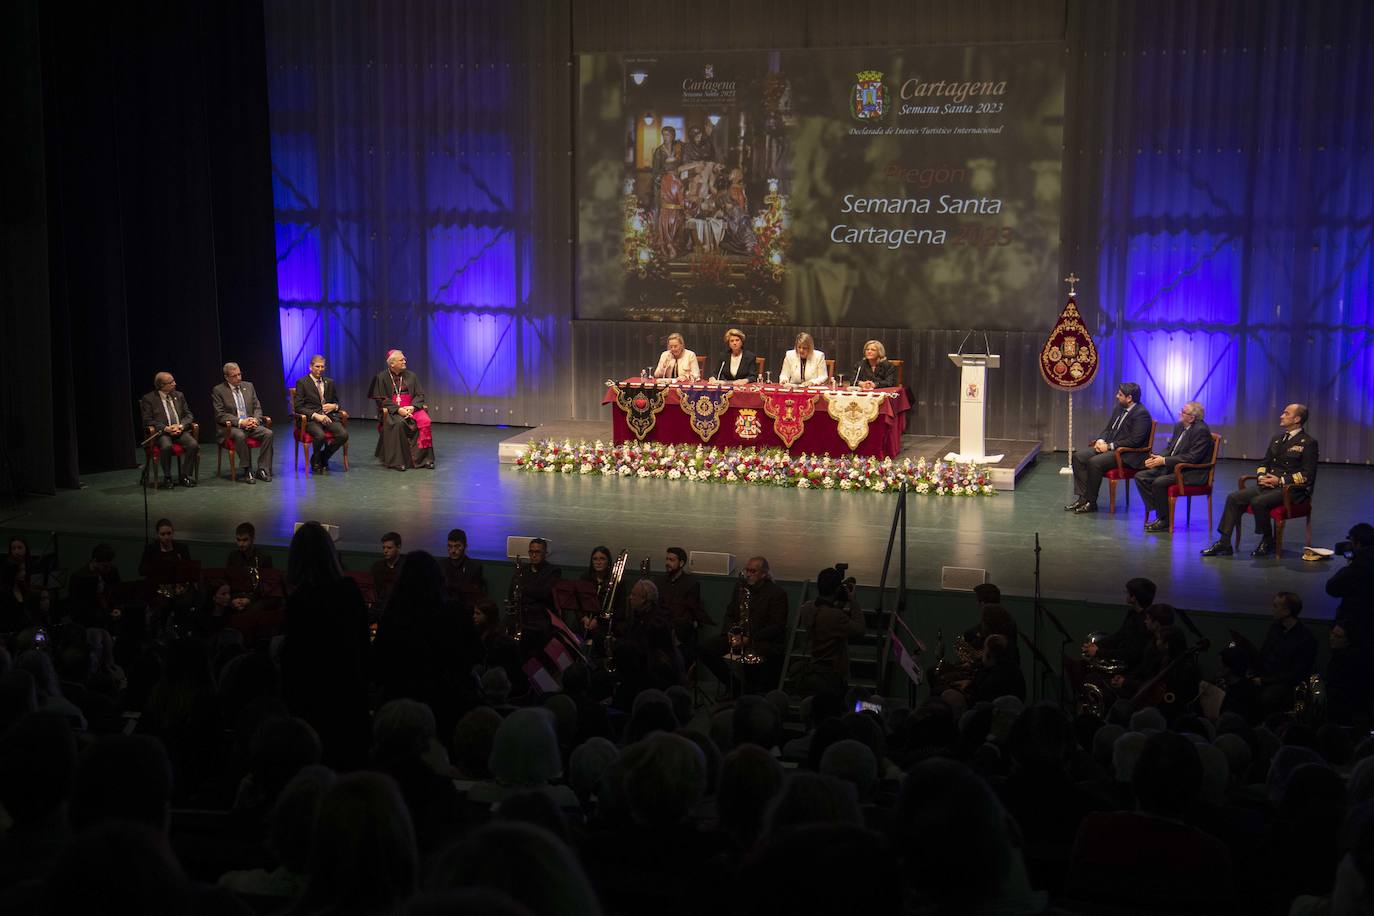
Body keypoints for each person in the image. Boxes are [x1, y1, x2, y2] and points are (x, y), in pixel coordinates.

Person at [281, 521, 371, 769]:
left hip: (312, 711)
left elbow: (294, 664)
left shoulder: (299, 602)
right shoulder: (350, 592)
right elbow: (364, 651)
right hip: (349, 707)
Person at [1202, 403, 1317, 557]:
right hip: (1269, 485)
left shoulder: (1308, 443)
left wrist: (1280, 480)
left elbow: (1308, 475)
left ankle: (1268, 539)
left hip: (1291, 490)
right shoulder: (1277, 439)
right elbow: (1264, 463)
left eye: (1286, 413)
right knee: (1233, 498)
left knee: (1258, 501)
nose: (1281, 416)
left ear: (1297, 419)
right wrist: (1262, 477)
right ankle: (1224, 542)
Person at [700, 556, 789, 694]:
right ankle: (734, 685)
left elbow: (777, 626)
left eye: (753, 571)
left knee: (750, 657)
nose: (748, 574)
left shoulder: (777, 594)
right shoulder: (741, 588)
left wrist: (749, 638)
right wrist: (732, 634)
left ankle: (749, 692)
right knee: (705, 648)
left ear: (764, 574)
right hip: (738, 636)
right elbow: (730, 613)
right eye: (747, 570)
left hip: (760, 640)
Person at [1067, 382, 1153, 514]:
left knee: (1094, 462)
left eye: (1120, 394)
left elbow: (1135, 441)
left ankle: (1091, 502)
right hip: (1111, 448)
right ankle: (1082, 498)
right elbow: (1109, 429)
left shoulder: (1142, 414)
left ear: (1129, 398)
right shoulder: (1119, 408)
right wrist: (1101, 440)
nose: (1116, 396)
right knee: (1079, 457)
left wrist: (1109, 446)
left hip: (1127, 454)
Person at [1135, 401, 1214, 532]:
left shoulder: (1201, 431)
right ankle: (1161, 511)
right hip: (1176, 467)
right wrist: (1158, 458)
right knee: (1141, 476)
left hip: (1191, 472)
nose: (1180, 413)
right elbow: (1170, 448)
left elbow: (1192, 458)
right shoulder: (1180, 426)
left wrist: (1164, 461)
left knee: (1159, 482)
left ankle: (1164, 520)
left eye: (1183, 412)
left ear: (1192, 418)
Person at [795, 566, 866, 692]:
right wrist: (853, 601)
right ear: (837, 590)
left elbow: (826, 617)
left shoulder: (807, 608)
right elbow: (860, 629)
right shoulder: (836, 616)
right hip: (832, 674)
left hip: (814, 669)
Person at [368, 349, 434, 471]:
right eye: (401, 359)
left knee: (425, 421)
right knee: (399, 423)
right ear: (392, 364)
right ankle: (397, 461)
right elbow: (381, 399)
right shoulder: (381, 377)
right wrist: (398, 410)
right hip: (392, 410)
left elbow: (420, 395)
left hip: (411, 408)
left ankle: (425, 459)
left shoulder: (411, 376)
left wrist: (413, 407)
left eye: (404, 359)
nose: (405, 361)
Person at [1253, 590, 1318, 714]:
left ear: (1287, 611)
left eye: (1275, 606)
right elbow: (1264, 654)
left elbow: (1296, 673)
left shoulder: (1306, 638)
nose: (1272, 609)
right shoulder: (1275, 628)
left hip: (1286, 683)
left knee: (1268, 698)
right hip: (1269, 677)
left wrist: (1263, 680)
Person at [211, 361, 274, 483]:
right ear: (226, 377)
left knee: (268, 433)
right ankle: (247, 469)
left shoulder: (248, 386)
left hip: (250, 424)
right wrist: (241, 422)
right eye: (234, 376)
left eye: (239, 374)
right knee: (240, 435)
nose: (238, 378)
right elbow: (220, 415)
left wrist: (255, 419)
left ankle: (262, 468)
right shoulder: (218, 390)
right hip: (231, 427)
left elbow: (257, 407)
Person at [138, 371, 198, 488]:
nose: (174, 384)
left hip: (179, 431)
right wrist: (166, 428)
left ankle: (184, 475)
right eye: (171, 382)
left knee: (193, 444)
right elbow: (147, 420)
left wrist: (180, 426)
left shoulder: (179, 395)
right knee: (166, 446)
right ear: (161, 385)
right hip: (162, 433)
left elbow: (189, 415)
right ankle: (167, 477)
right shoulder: (149, 398)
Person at [1082, 577, 1156, 669]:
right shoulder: (1132, 613)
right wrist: (1095, 645)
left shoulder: (1145, 622)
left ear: (1134, 598)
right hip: (1123, 659)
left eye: (1128, 593)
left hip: (1131, 667)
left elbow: (1131, 653)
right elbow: (1119, 636)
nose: (1127, 595)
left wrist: (1098, 652)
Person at [292, 353, 348, 473]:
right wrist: (316, 415)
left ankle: (323, 457)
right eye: (317, 366)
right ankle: (317, 461)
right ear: (310, 367)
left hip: (328, 417)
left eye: (322, 367)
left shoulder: (329, 382)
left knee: (343, 435)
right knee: (320, 436)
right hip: (311, 419)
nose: (320, 369)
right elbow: (298, 407)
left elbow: (337, 402)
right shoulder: (302, 382)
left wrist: (334, 406)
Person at [654, 547, 711, 664]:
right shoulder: (659, 581)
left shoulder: (691, 583)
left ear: (681, 563)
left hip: (680, 626)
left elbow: (691, 609)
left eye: (671, 560)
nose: (667, 563)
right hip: (662, 624)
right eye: (667, 559)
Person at [1324, 616, 1374, 727]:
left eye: (1338, 636)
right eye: (1332, 633)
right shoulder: (1340, 656)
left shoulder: (1348, 661)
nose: (1332, 638)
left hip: (1347, 712)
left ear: (1349, 641)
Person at [508, 539, 561, 635]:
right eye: (531, 552)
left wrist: (523, 588)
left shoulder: (553, 571)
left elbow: (545, 593)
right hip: (523, 615)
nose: (534, 555)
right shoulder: (522, 570)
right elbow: (512, 592)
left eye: (537, 552)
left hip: (541, 618)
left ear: (545, 553)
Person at [1326, 522, 1374, 619]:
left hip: (1360, 620)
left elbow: (1332, 588)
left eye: (1352, 541)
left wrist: (1350, 564)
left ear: (1358, 543)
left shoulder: (1359, 566)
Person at [967, 633, 1026, 703]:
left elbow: (976, 699)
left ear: (988, 654)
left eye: (984, 649)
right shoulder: (1015, 670)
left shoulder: (991, 678)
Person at [440, 528, 485, 603]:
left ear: (465, 546)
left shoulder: (474, 568)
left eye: (457, 546)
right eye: (450, 546)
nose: (453, 550)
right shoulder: (441, 566)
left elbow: (475, 596)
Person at [371, 532, 403, 607]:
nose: (385, 551)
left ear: (398, 547)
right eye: (384, 547)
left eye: (389, 548)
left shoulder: (405, 567)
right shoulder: (377, 566)